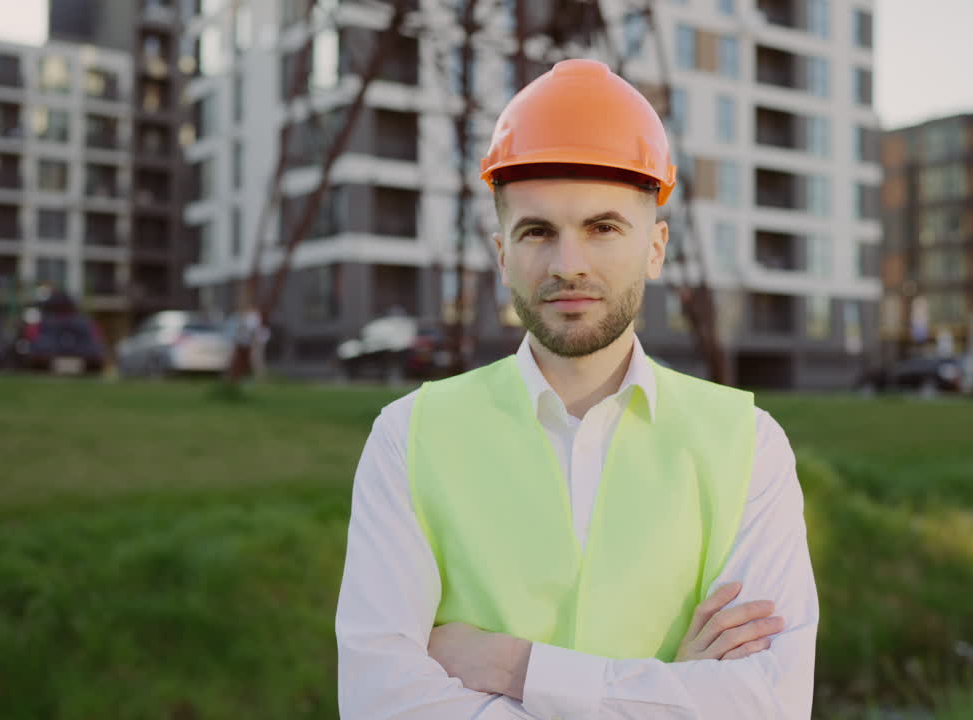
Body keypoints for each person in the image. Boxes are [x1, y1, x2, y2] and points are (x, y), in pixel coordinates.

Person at [336, 59, 818, 719]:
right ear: (502, 253)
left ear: (655, 246)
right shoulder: (406, 438)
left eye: (602, 228)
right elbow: (381, 704)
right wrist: (672, 692)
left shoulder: (749, 445)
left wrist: (514, 667)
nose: (570, 265)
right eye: (538, 232)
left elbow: (770, 706)